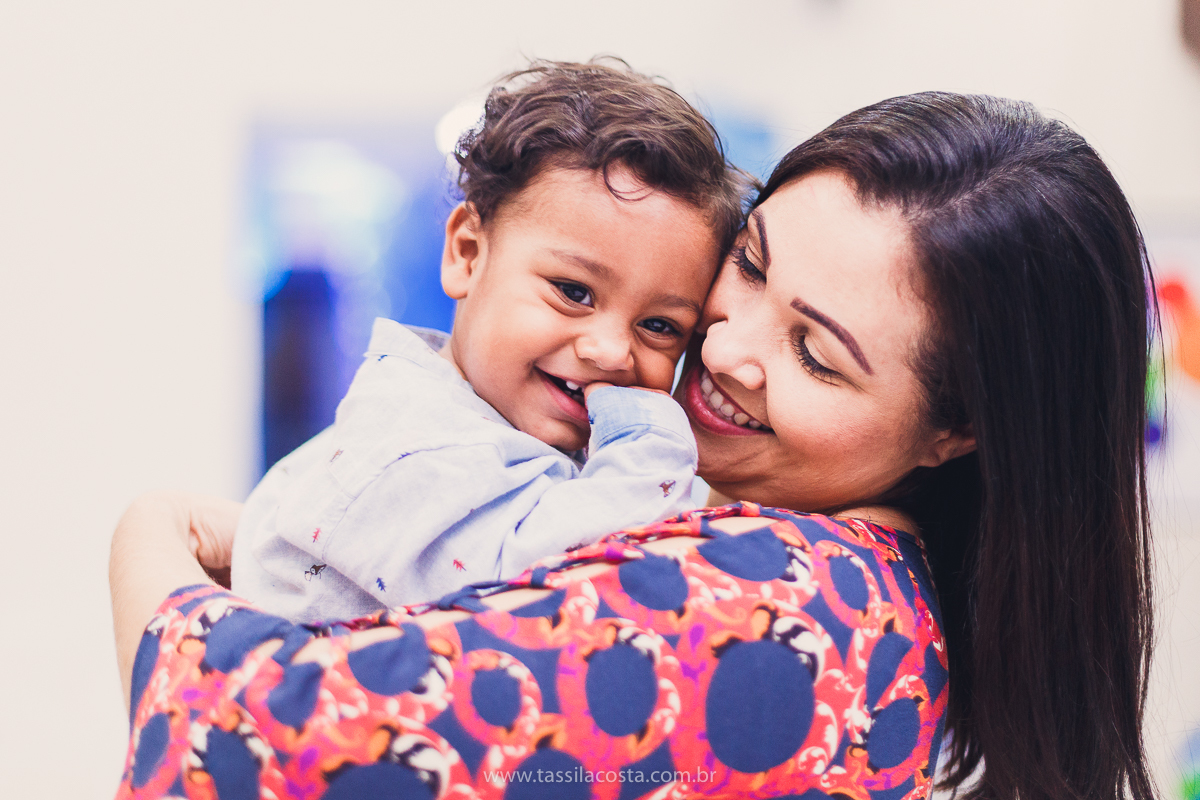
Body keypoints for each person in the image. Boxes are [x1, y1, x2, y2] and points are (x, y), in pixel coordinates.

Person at [110, 91, 1156, 800]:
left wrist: (151, 536)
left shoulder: (770, 599)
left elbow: (236, 742)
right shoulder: (866, 588)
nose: (725, 347)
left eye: (817, 355)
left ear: (952, 430)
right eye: (747, 265)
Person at [232, 59, 751, 622]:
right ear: (468, 254)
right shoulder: (418, 446)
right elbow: (581, 591)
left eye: (659, 327)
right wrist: (655, 439)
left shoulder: (496, 428)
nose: (609, 351)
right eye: (573, 291)